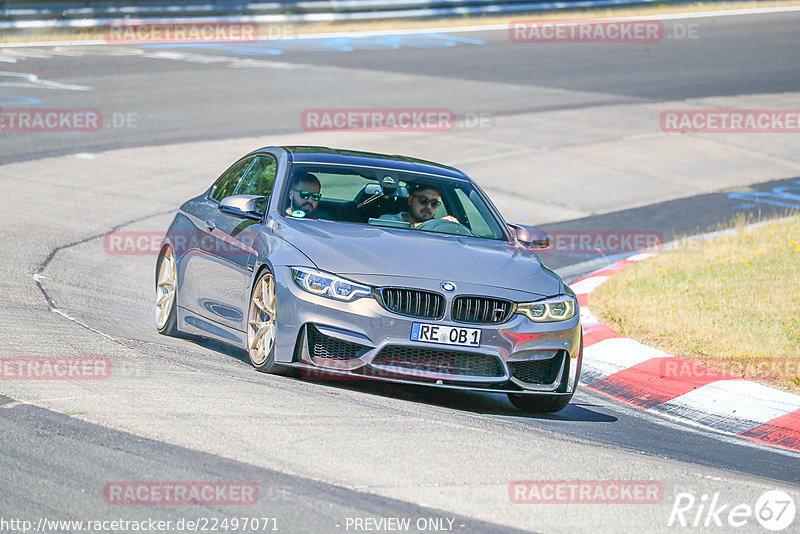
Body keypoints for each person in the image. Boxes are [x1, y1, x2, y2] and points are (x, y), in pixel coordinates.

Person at [382, 184, 458, 228]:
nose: (428, 206)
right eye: (423, 200)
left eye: (434, 203)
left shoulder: (439, 228)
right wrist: (437, 224)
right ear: (410, 200)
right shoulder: (388, 220)